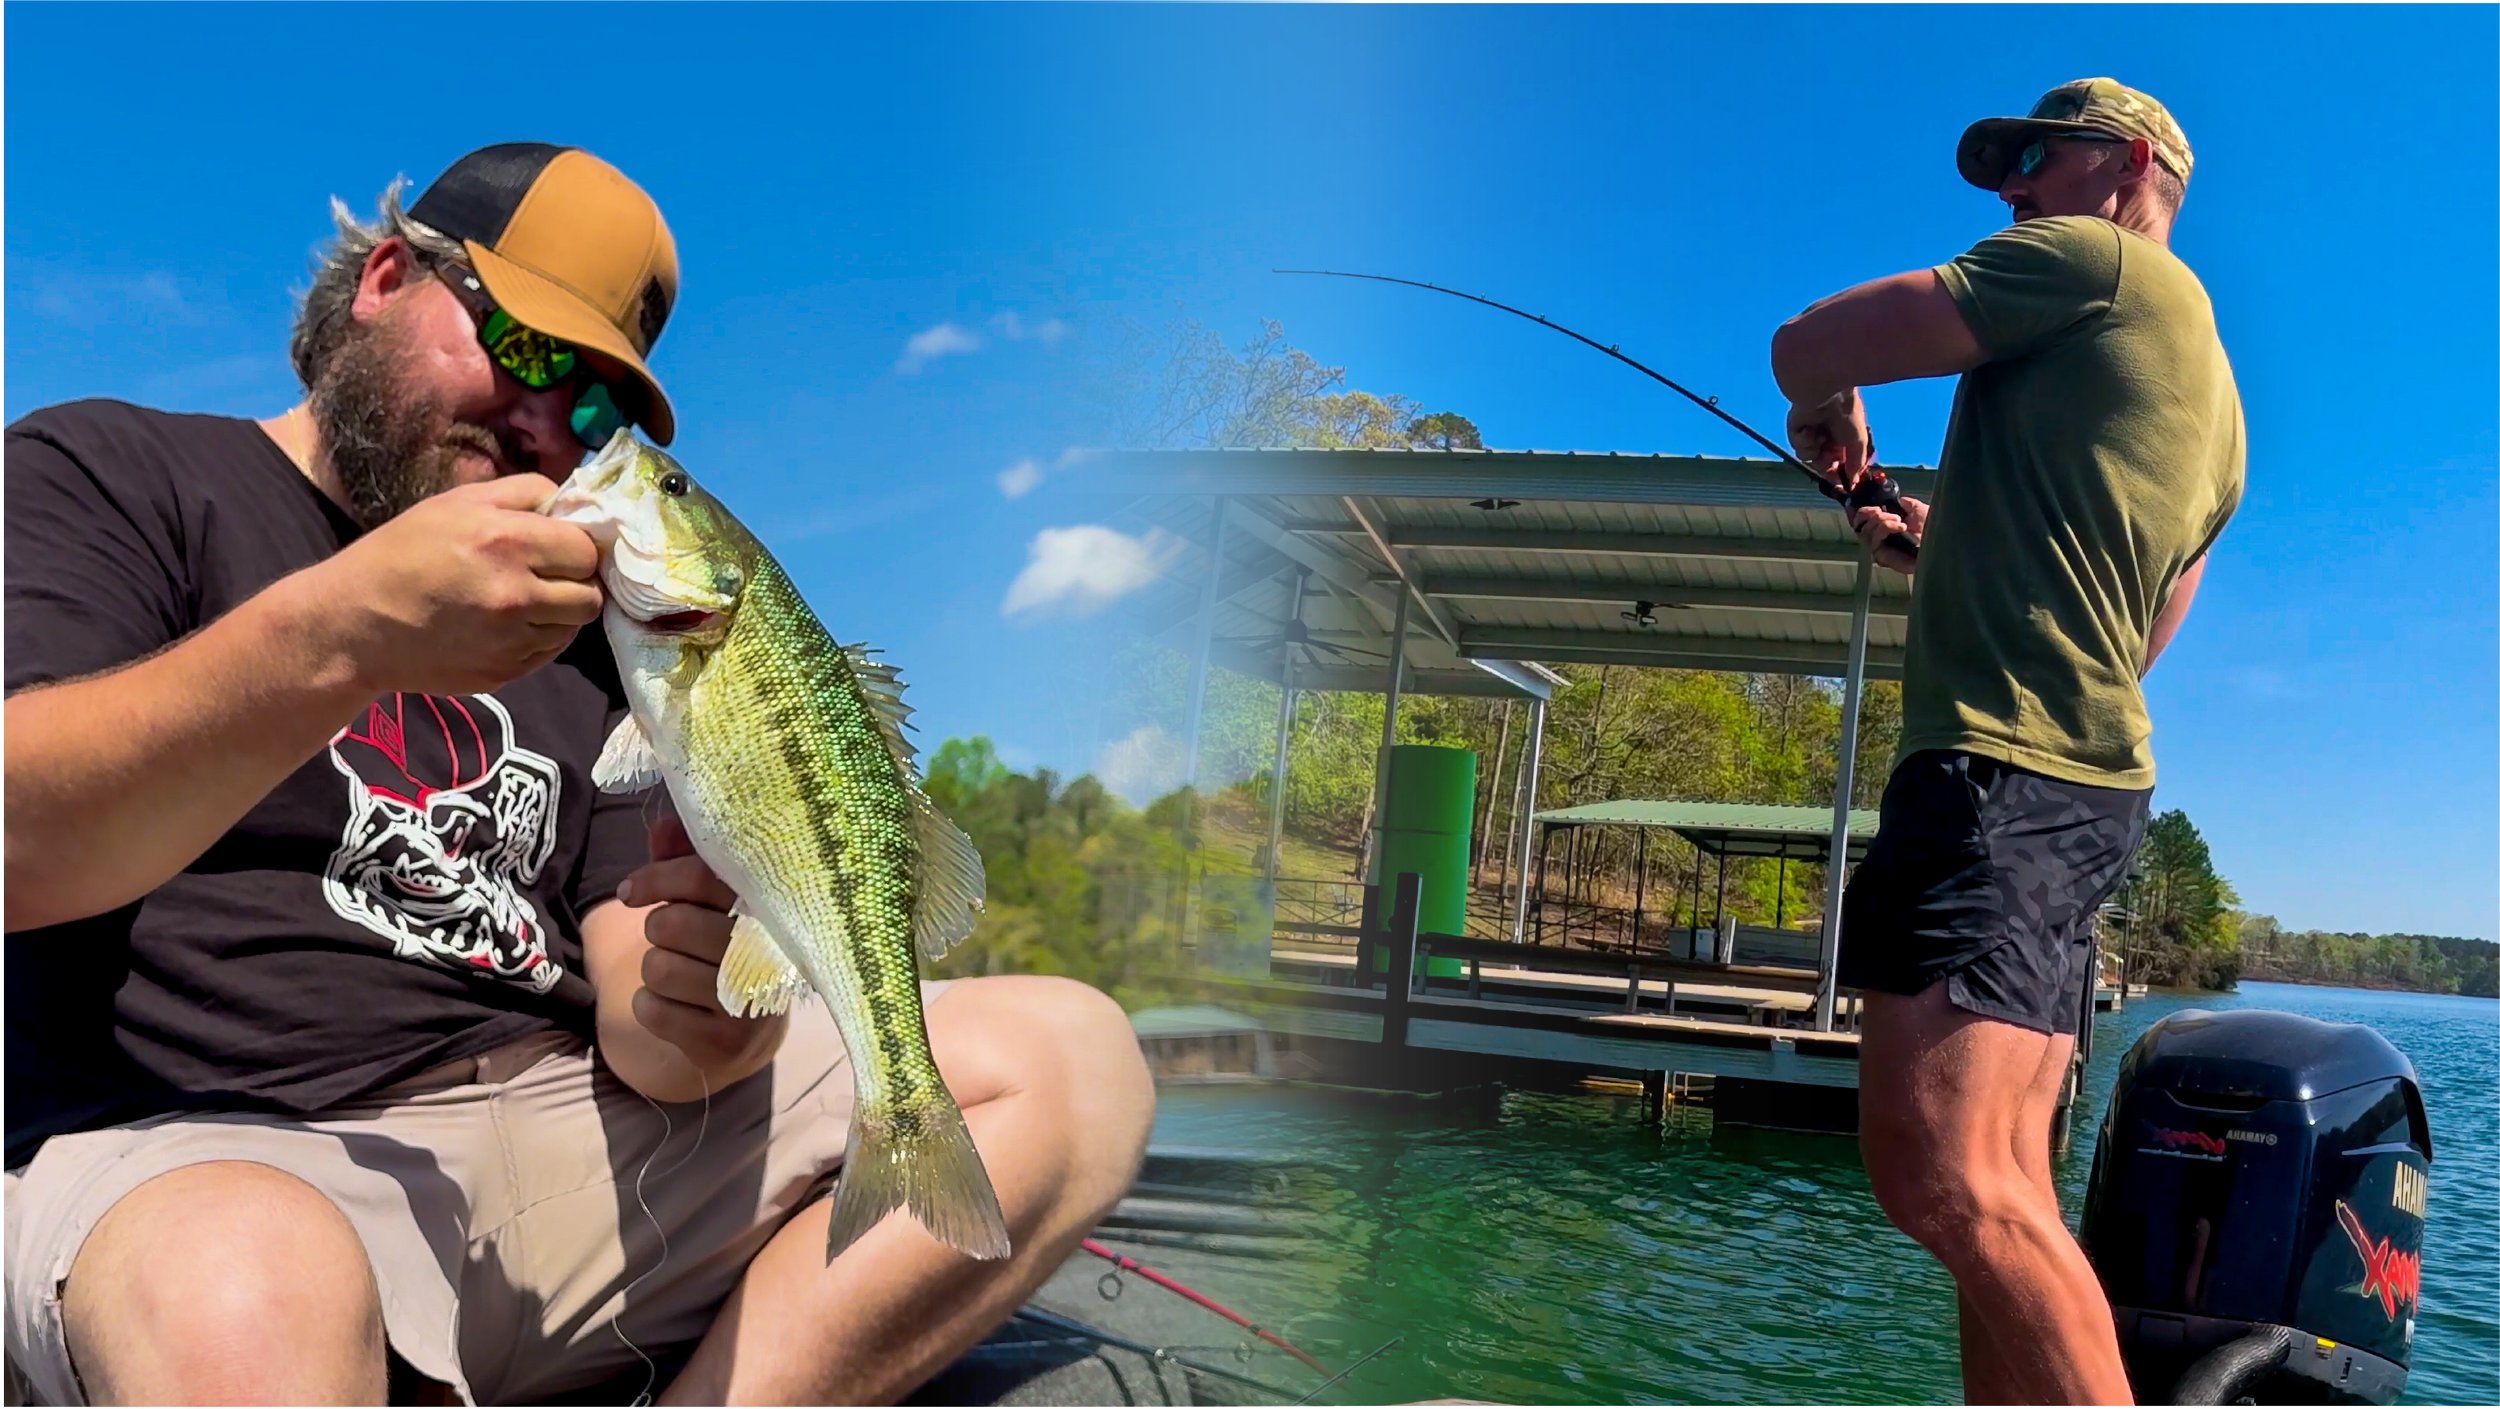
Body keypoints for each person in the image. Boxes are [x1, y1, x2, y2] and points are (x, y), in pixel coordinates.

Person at [2, 142, 1155, 1407]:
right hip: (220, 1151)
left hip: (575, 1145)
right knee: (242, 1289)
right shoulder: (111, 472)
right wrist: (341, 633)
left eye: (599, 404)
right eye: (535, 353)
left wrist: (688, 1018)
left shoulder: (598, 632)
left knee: (1074, 1060)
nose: (551, 426)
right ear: (385, 276)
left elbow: (640, 1008)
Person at [1768, 79, 2244, 1404]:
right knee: (2005, 1193)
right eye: (2005, 167)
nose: (2013, 186)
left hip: (1996, 774)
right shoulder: (2219, 411)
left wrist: (1831, 415)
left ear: (2130, 165)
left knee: (1942, 1173)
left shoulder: (2092, 262)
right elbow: (2134, 637)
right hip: (2087, 786)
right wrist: (1927, 546)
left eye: (2039, 156)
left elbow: (1807, 340)